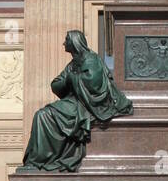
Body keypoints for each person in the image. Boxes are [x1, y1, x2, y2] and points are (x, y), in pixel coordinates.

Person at [22, 31, 132, 172]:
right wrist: (70, 79)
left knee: (43, 115)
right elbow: (56, 83)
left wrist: (71, 79)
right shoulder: (73, 63)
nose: (63, 43)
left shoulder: (91, 59)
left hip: (87, 105)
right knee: (42, 114)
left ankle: (42, 159)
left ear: (74, 42)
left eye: (66, 40)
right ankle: (41, 159)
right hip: (75, 102)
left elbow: (93, 84)